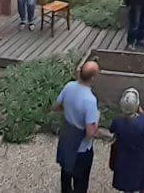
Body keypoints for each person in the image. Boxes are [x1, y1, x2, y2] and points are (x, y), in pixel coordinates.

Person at [54, 61, 101, 193]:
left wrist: (70, 110)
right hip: (81, 149)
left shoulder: (69, 86)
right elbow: (90, 133)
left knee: (66, 174)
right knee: (80, 182)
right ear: (93, 78)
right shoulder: (90, 100)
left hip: (66, 139)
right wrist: (97, 122)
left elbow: (56, 106)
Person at [109, 88, 144, 193]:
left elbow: (112, 130)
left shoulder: (117, 122)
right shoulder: (143, 121)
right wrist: (140, 111)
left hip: (123, 159)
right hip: (140, 159)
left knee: (127, 186)